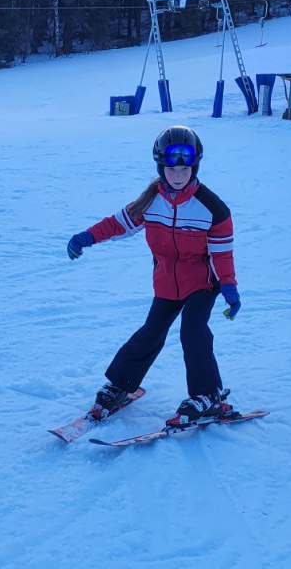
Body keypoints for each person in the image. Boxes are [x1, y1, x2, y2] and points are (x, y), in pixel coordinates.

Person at [67, 125, 241, 427]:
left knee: (193, 330)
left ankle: (208, 395)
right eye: (171, 169)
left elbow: (222, 254)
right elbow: (117, 224)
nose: (178, 175)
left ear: (195, 167)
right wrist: (87, 236)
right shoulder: (150, 201)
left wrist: (228, 286)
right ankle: (120, 386)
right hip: (166, 281)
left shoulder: (213, 209)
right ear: (161, 168)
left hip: (202, 282)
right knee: (151, 332)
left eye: (185, 168)